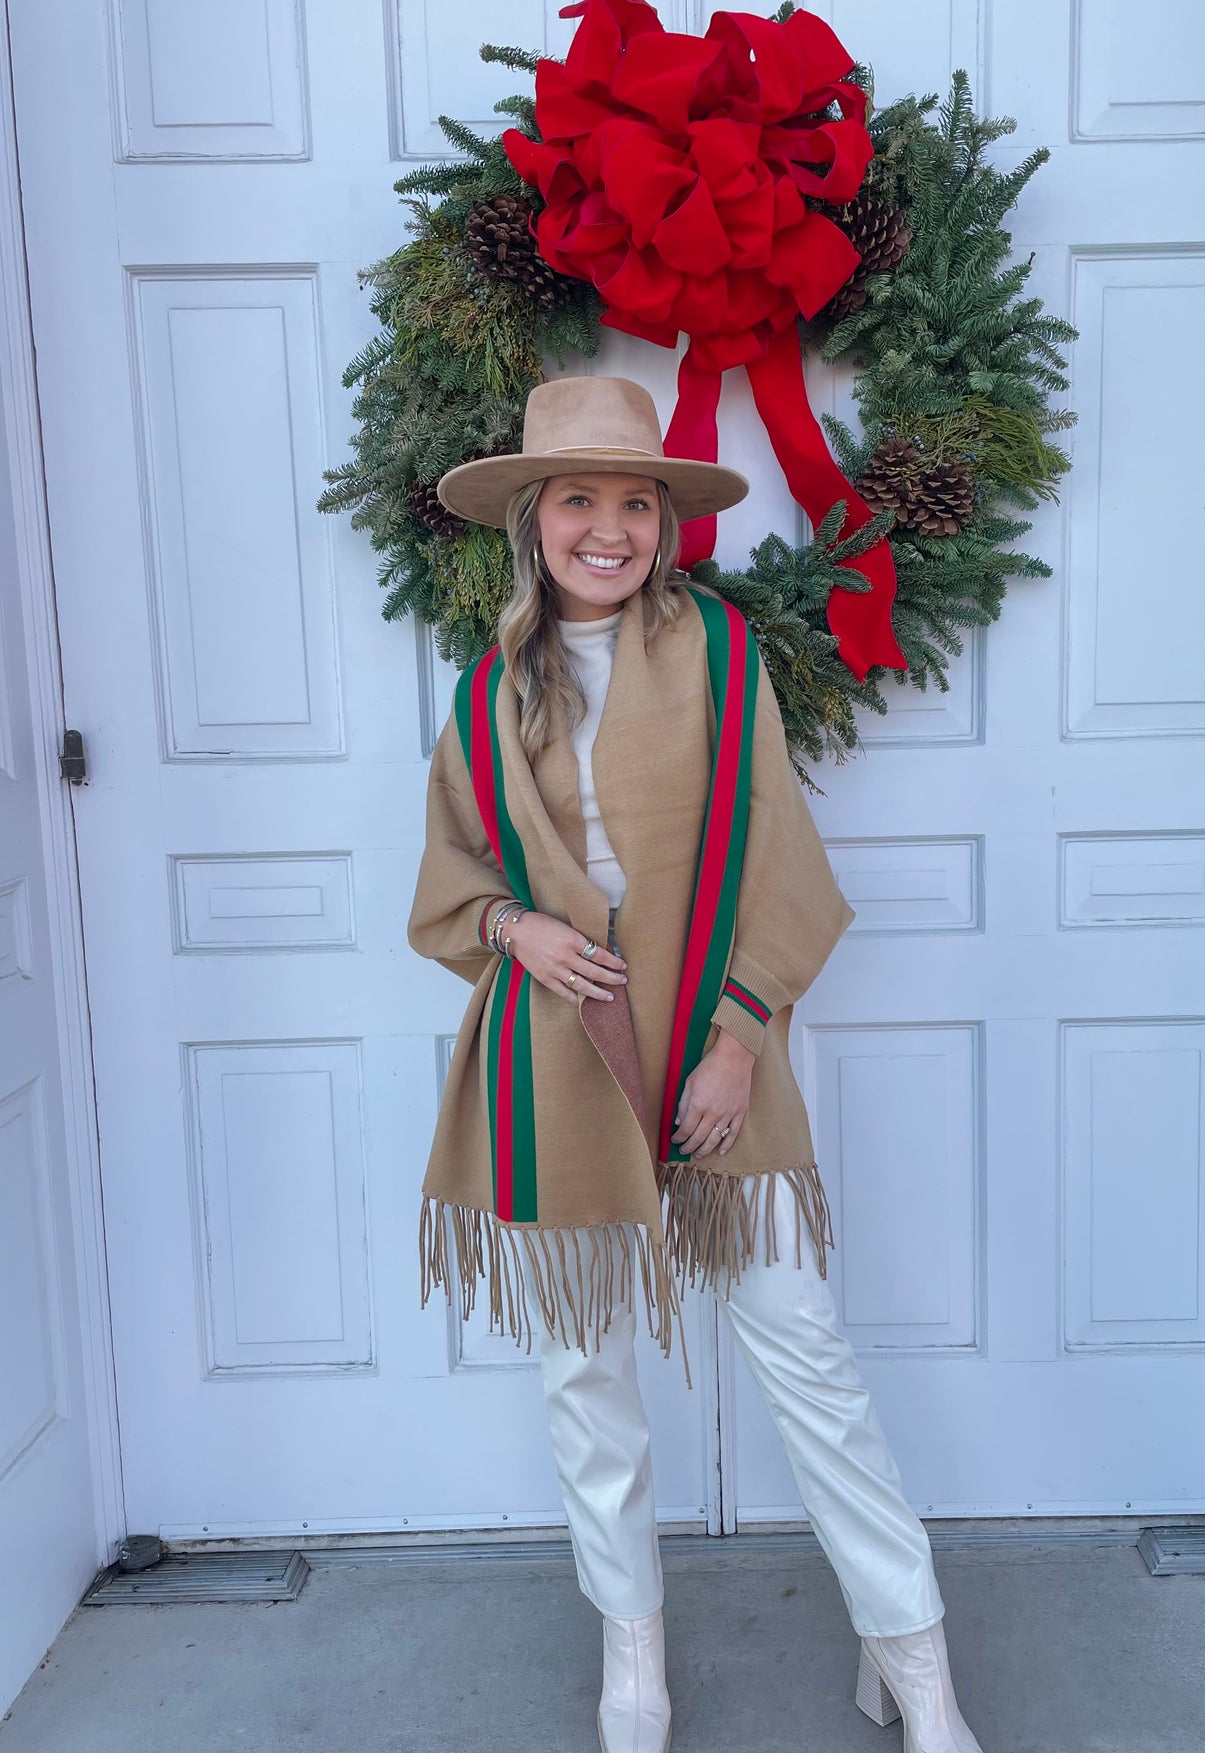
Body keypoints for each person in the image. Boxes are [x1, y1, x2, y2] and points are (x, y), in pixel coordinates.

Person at [407, 376, 982, 1753]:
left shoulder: (722, 655)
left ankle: (915, 1664)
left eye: (631, 502)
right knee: (584, 1379)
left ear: (663, 523)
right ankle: (633, 1665)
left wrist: (738, 1037)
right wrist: (517, 921)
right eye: (576, 499)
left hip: (716, 1047)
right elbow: (445, 889)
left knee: (806, 1356)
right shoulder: (491, 689)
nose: (604, 527)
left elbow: (781, 855)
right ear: (532, 521)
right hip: (559, 1061)